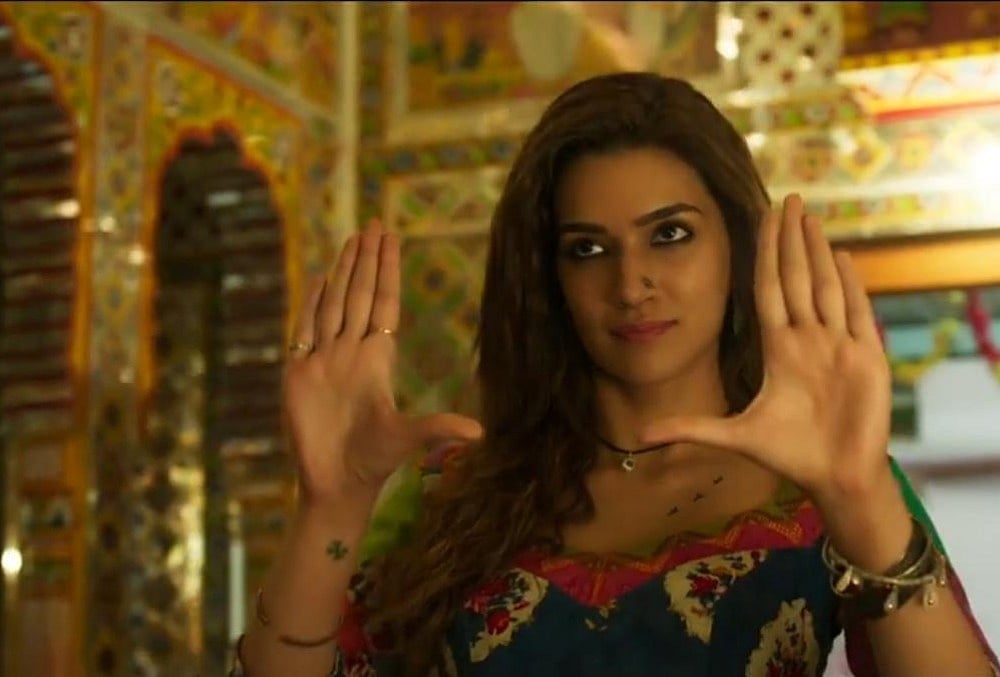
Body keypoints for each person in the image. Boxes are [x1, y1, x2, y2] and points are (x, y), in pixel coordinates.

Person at [235, 73, 998, 676]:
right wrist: (329, 509)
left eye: (670, 234)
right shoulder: (455, 490)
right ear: (550, 277)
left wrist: (858, 495)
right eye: (589, 249)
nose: (632, 284)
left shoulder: (828, 475)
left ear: (734, 244)